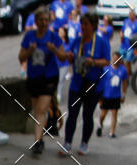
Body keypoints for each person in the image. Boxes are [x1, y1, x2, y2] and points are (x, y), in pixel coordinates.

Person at [60, 13, 110, 157]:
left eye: (86, 24)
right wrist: (69, 57)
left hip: (93, 85)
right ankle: (67, 143)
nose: (83, 27)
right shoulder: (77, 41)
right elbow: (69, 56)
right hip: (77, 83)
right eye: (82, 24)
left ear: (93, 26)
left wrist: (92, 62)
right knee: (72, 113)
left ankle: (84, 143)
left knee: (87, 115)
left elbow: (107, 61)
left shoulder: (101, 42)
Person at [19, 6, 67, 156]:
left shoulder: (53, 37)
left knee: (41, 109)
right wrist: (30, 50)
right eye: (41, 20)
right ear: (36, 21)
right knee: (36, 110)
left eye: (46, 20)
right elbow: (21, 57)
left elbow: (63, 57)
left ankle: (37, 141)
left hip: (49, 78)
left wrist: (54, 50)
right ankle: (39, 139)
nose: (44, 23)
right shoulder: (29, 36)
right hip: (34, 78)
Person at [97, 51, 128, 138]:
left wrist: (123, 94)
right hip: (106, 95)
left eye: (117, 59)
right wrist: (99, 96)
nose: (115, 60)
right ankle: (100, 124)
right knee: (103, 114)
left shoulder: (123, 70)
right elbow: (100, 82)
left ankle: (112, 132)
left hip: (116, 96)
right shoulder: (106, 69)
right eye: (114, 58)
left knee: (114, 114)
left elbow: (125, 82)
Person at [119, 9, 137, 79]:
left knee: (127, 61)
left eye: (132, 15)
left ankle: (127, 77)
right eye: (130, 14)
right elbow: (122, 30)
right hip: (123, 45)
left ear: (134, 15)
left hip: (131, 47)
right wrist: (121, 34)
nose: (131, 16)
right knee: (121, 60)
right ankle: (127, 72)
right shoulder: (126, 21)